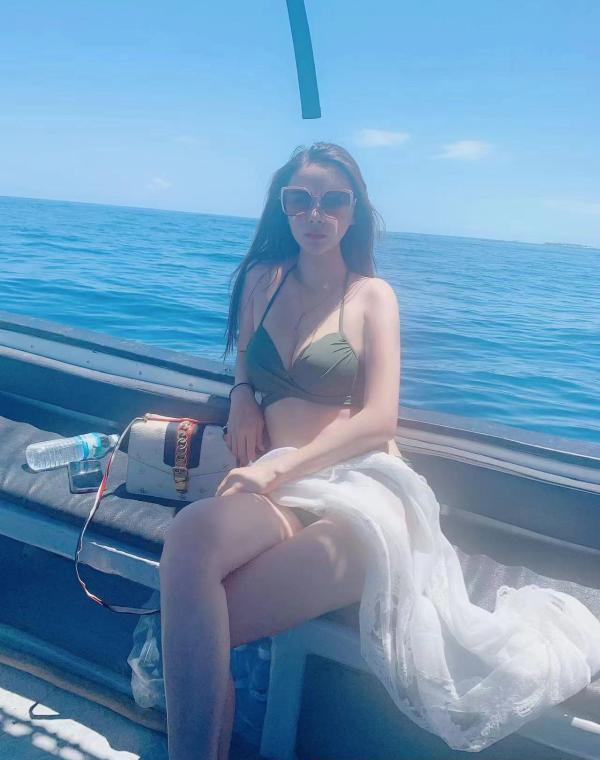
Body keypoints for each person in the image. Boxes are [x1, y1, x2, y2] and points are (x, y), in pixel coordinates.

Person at [158, 143, 600, 760]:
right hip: (283, 485)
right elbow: (245, 362)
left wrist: (276, 468)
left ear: (354, 211)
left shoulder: (372, 296)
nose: (316, 214)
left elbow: (378, 419)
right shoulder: (262, 281)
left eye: (332, 201)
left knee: (203, 622)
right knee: (191, 538)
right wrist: (241, 396)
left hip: (361, 487)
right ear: (283, 207)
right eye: (299, 200)